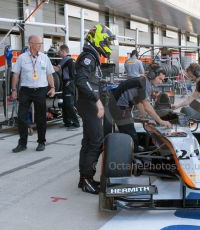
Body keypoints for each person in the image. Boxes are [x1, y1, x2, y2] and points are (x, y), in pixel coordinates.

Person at [74, 23, 116, 194]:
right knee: (96, 141)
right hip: (89, 104)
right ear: (98, 40)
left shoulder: (93, 56)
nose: (109, 46)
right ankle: (87, 180)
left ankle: (83, 179)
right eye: (107, 42)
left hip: (89, 103)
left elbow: (91, 81)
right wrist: (98, 101)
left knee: (88, 141)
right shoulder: (88, 57)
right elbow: (81, 81)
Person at [109, 64, 172, 151]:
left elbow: (139, 102)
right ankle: (130, 158)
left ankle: (132, 151)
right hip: (119, 107)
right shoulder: (144, 83)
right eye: (159, 79)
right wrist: (160, 121)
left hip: (121, 106)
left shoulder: (145, 82)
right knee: (131, 136)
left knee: (131, 134)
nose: (161, 82)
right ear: (152, 75)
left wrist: (146, 119)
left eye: (162, 80)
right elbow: (146, 105)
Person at [11, 35, 55, 153]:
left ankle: (41, 142)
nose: (40, 45)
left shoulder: (44, 58)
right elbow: (15, 74)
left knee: (41, 118)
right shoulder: (22, 58)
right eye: (38, 43)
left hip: (41, 90)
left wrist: (53, 87)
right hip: (25, 90)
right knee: (21, 117)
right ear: (30, 44)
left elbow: (49, 74)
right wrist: (14, 90)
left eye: (41, 43)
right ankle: (22, 143)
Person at [53, 44, 80, 129]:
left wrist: (46, 64)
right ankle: (67, 122)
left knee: (68, 104)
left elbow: (57, 69)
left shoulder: (66, 59)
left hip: (68, 83)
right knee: (65, 104)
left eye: (59, 51)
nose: (58, 53)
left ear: (64, 51)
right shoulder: (72, 59)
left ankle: (76, 123)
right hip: (70, 83)